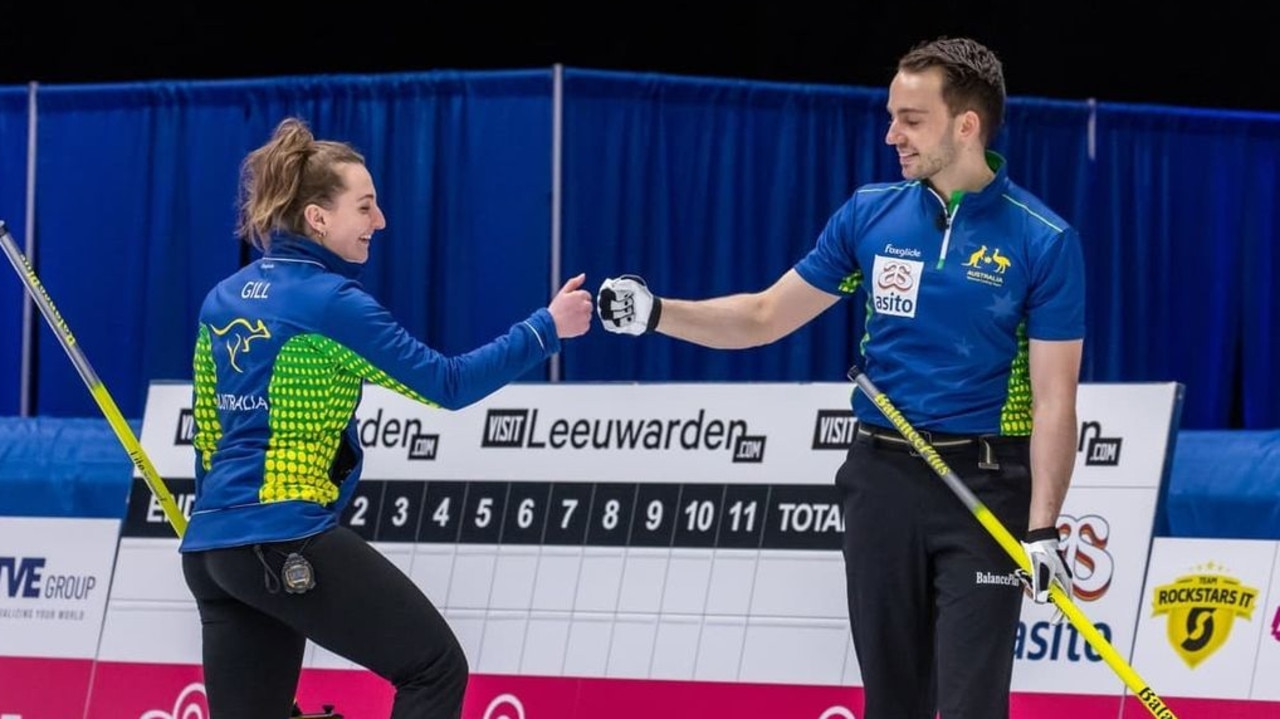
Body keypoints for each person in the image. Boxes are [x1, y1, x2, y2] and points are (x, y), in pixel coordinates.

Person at [596, 37, 1083, 719]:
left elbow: (1058, 398)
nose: (891, 135)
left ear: (965, 125)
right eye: (891, 115)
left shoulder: (1042, 240)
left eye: (911, 119)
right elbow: (765, 315)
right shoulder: (870, 214)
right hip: (881, 478)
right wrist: (656, 313)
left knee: (973, 704)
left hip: (986, 486)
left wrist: (1043, 528)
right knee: (894, 702)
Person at [179, 116, 593, 719]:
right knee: (434, 669)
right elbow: (447, 385)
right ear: (318, 219)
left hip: (214, 553)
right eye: (365, 206)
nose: (380, 221)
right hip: (283, 538)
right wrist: (545, 329)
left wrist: (216, 521)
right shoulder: (330, 304)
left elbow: (210, 436)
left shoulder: (222, 299)